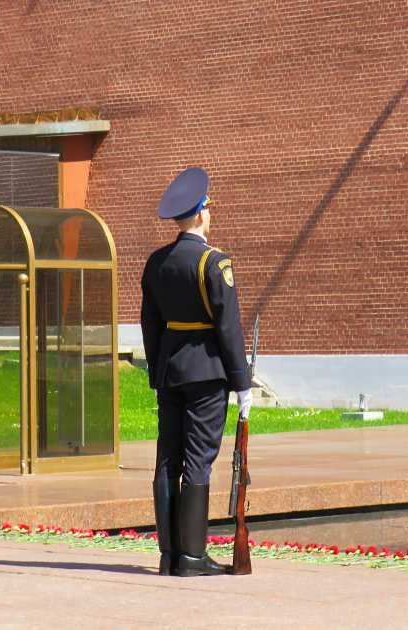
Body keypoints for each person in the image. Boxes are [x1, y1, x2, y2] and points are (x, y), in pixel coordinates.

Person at [140, 167, 253, 577]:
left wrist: (157, 371)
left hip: (170, 370)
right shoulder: (213, 261)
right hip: (206, 372)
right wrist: (242, 383)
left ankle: (169, 555)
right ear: (201, 214)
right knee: (199, 460)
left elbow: (149, 324)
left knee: (168, 459)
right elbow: (227, 327)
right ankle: (191, 556)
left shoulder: (157, 263)